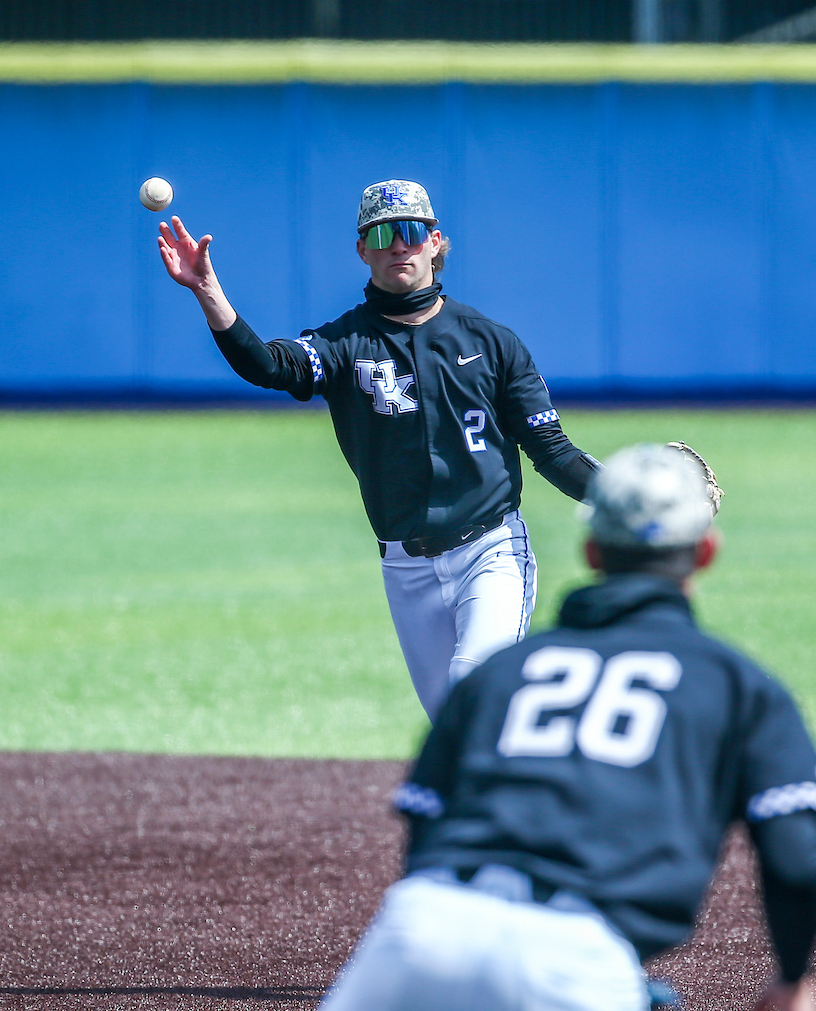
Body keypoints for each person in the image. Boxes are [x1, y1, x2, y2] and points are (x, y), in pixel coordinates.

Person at [204, 442, 816, 1011]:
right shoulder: (737, 685)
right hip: (577, 962)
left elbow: (425, 824)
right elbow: (795, 853)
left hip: (422, 934)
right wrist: (796, 976)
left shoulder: (504, 672)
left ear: (589, 549)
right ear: (705, 551)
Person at [157, 179, 602, 719]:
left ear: (435, 242)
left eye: (411, 231)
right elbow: (269, 365)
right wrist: (208, 290)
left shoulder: (491, 342)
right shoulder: (344, 344)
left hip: (491, 550)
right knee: (451, 732)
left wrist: (627, 496)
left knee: (473, 693)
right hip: (404, 566)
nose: (398, 245)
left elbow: (550, 448)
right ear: (363, 249)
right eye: (383, 233)